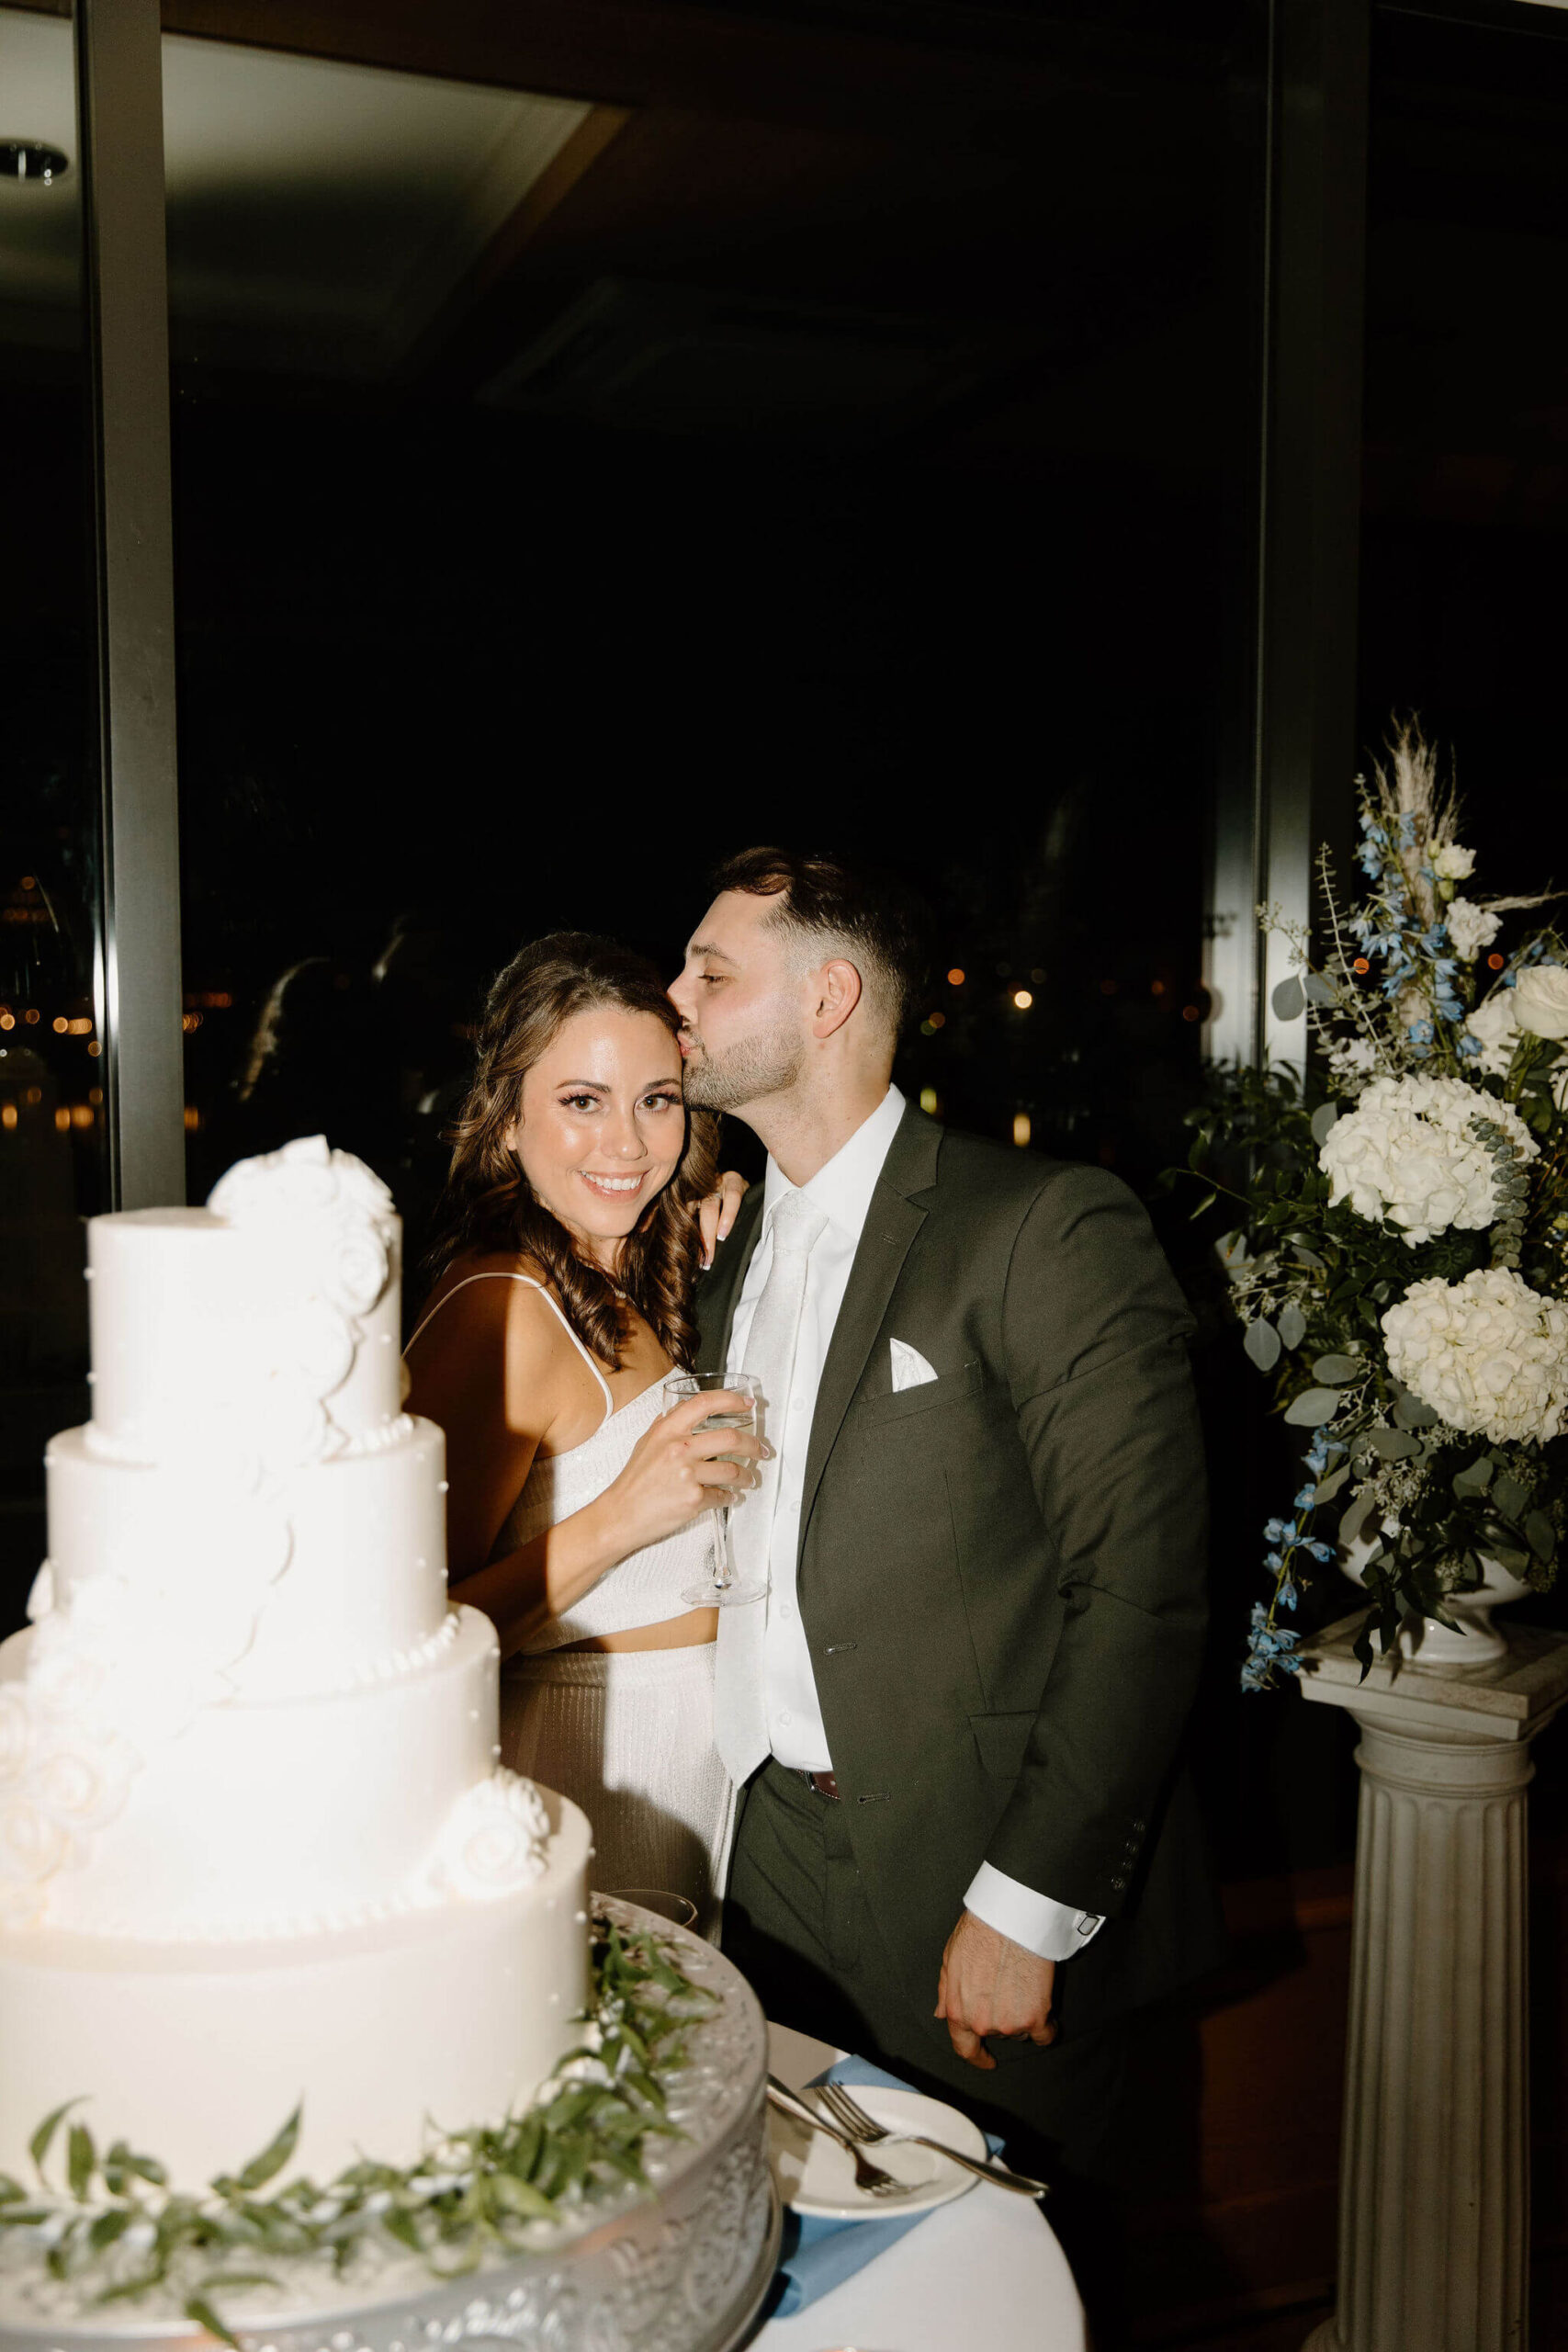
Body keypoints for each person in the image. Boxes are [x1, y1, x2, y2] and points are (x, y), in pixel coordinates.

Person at [670, 848, 1225, 2315]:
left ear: (829, 996)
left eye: (709, 974)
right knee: (823, 2292)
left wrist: (1025, 1903)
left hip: (977, 1869)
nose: (675, 999)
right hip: (767, 1856)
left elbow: (1144, 1588)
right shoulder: (725, 1243)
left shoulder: (1040, 1224)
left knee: (1018, 2285)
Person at [403, 933, 760, 1933]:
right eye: (582, 1101)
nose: (629, 1144)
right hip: (582, 1773)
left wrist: (737, 1212)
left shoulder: (623, 1271)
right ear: (507, 1119)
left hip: (673, 1778)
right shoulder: (503, 1307)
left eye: (655, 1099)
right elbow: (410, 1634)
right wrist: (620, 1517)